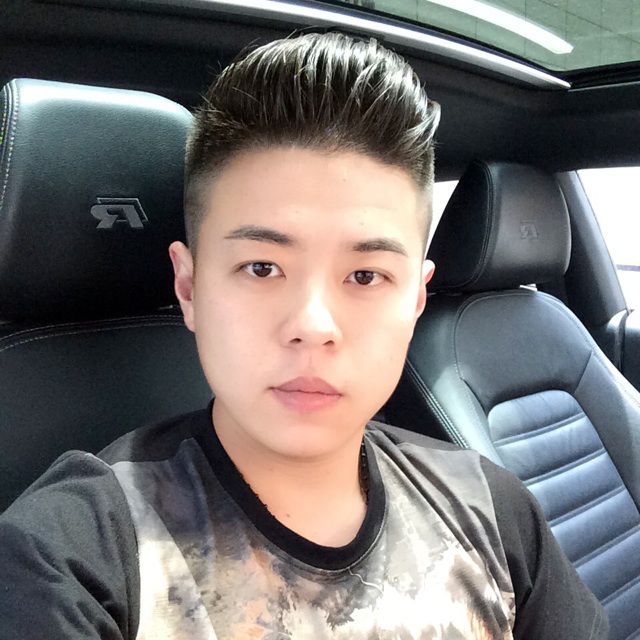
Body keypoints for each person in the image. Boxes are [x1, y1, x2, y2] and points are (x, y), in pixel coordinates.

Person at [0, 31, 608, 639]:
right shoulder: (75, 557)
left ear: (416, 300)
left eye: (366, 275)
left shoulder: (491, 509)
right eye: (262, 268)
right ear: (189, 288)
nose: (313, 327)